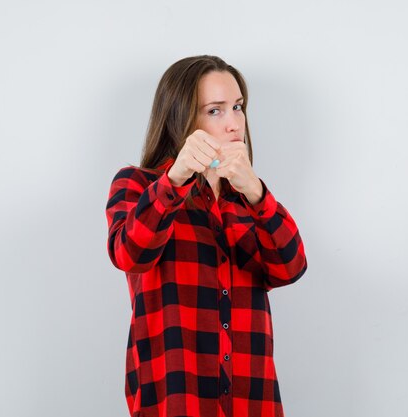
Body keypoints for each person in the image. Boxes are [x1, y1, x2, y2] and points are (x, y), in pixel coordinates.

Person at [105, 55, 307, 417]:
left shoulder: (249, 201)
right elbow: (130, 254)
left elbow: (290, 268)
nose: (234, 124)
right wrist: (175, 180)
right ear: (182, 118)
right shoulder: (138, 185)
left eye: (237, 107)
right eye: (214, 111)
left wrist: (257, 193)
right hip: (174, 401)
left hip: (252, 403)